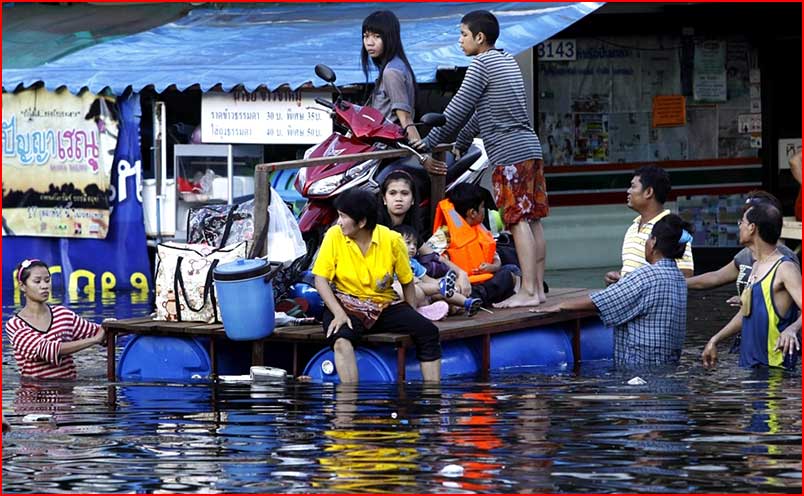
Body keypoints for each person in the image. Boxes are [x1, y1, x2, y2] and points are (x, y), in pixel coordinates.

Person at [412, 10, 547, 307]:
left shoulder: (481, 64)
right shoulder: (506, 60)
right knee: (532, 220)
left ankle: (526, 292)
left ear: (479, 37)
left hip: (509, 151)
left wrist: (427, 144)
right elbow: (479, 110)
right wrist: (461, 141)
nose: (459, 41)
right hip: (530, 147)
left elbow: (458, 109)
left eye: (463, 34)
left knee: (516, 221)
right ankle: (537, 290)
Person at [312, 189, 441, 383]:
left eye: (343, 217)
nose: (339, 222)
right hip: (346, 304)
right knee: (340, 341)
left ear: (362, 222)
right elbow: (320, 279)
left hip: (383, 305)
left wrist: (412, 312)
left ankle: (432, 397)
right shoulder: (334, 235)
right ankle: (348, 406)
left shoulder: (392, 240)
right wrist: (338, 313)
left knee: (428, 331)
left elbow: (407, 282)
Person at [541, 215, 692, 367]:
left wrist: (561, 305)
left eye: (648, 238)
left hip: (641, 368)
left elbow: (602, 301)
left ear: (653, 242)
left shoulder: (646, 275)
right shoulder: (678, 277)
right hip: (667, 364)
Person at [702, 203, 801, 369]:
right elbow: (745, 314)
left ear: (752, 228)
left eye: (742, 223)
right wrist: (715, 340)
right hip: (750, 366)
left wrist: (792, 329)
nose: (739, 227)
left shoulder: (785, 268)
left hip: (775, 370)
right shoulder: (756, 266)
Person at [361, 10, 446, 176]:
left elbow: (405, 119)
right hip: (383, 151)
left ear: (390, 38)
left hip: (386, 152)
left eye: (377, 37)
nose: (369, 43)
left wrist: (423, 158)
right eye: (366, 36)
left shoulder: (391, 72)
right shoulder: (395, 66)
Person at [687, 191, 799, 307]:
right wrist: (678, 282)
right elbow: (716, 277)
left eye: (745, 219)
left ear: (753, 226)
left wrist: (793, 326)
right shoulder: (746, 255)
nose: (740, 225)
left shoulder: (785, 262)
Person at [5, 259, 107, 379]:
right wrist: (94, 340)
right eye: (37, 281)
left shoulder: (62, 314)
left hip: (68, 392)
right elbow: (46, 349)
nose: (44, 286)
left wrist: (111, 327)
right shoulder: (15, 325)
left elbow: (99, 332)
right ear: (22, 286)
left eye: (47, 280)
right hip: (33, 393)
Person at [425, 183, 517, 309]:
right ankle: (465, 302)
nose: (484, 210)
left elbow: (496, 258)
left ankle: (470, 302)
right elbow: (430, 258)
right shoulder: (445, 233)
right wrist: (458, 275)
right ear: (472, 213)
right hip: (461, 286)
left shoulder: (481, 229)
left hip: (486, 281)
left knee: (511, 270)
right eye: (483, 207)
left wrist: (493, 266)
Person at [604, 165, 694, 286]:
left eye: (633, 186)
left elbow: (685, 275)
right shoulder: (633, 228)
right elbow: (635, 270)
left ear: (648, 192)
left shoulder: (672, 228)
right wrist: (619, 275)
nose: (628, 191)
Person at [392, 224, 483, 317]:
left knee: (440, 292)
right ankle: (440, 291)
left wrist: (438, 284)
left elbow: (427, 279)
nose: (412, 247)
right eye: (408, 243)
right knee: (429, 288)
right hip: (408, 292)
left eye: (415, 244)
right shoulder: (391, 261)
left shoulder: (414, 263)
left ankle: (467, 302)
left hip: (424, 293)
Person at [377, 170, 426, 243]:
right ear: (384, 199)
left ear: (413, 199)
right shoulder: (374, 227)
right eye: (392, 193)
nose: (398, 199)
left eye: (405, 193)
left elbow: (429, 252)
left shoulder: (411, 229)